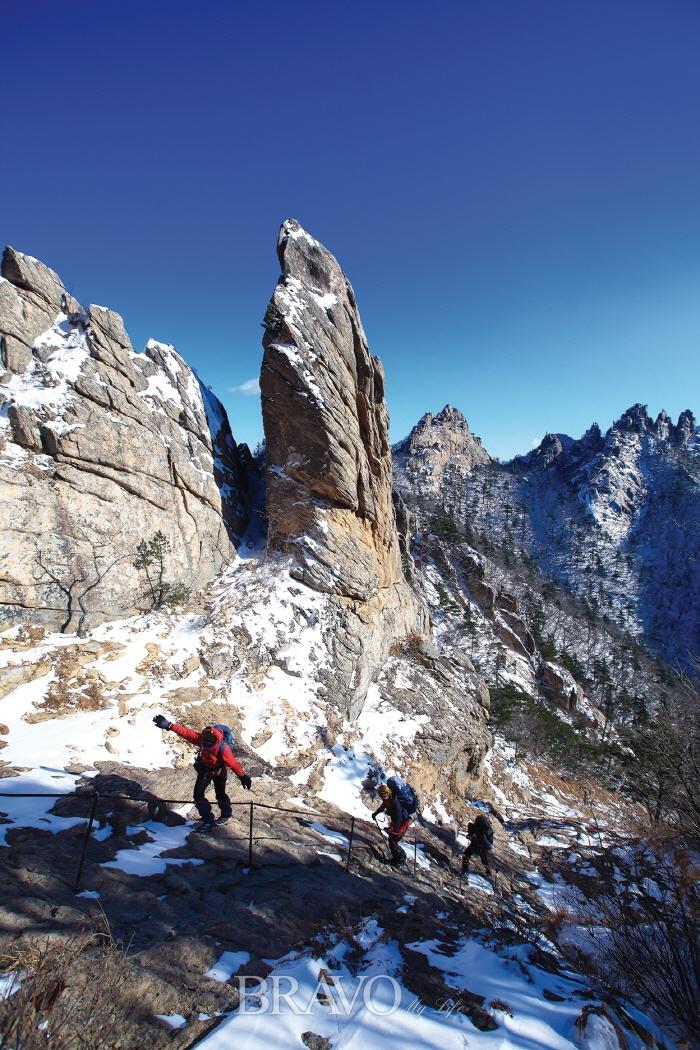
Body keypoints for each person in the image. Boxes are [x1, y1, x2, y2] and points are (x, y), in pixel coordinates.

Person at [153, 716, 251, 830]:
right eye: (205, 748)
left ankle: (226, 814)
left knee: (220, 795)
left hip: (219, 772)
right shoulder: (201, 738)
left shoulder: (224, 749)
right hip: (205, 770)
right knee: (198, 795)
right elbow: (186, 733)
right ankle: (208, 820)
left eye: (210, 749)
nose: (207, 750)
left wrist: (242, 776)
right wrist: (169, 725)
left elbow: (233, 764)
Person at [372, 783, 411, 866]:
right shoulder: (387, 800)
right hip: (396, 821)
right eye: (381, 795)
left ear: (388, 793)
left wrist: (392, 828)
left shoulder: (395, 802)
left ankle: (400, 860)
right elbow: (383, 806)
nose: (382, 797)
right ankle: (395, 860)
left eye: (383, 795)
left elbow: (399, 819)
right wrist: (375, 813)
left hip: (403, 823)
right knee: (391, 840)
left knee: (394, 840)